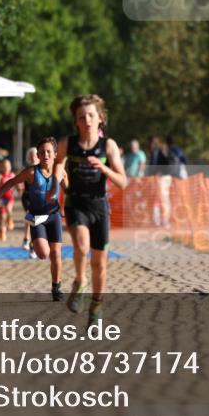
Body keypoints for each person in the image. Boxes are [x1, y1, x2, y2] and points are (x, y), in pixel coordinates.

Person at [49, 94, 127, 326]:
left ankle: (96, 306)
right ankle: (80, 281)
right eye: (81, 117)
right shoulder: (68, 143)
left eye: (91, 115)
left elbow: (123, 181)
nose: (87, 121)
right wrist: (56, 181)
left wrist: (104, 168)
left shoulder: (108, 146)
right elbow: (58, 162)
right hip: (76, 203)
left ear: (100, 118)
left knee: (100, 264)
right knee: (82, 248)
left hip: (99, 206)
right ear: (76, 121)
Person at [0, 138, 65, 300]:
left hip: (54, 215)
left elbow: (69, 190)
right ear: (38, 155)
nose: (46, 155)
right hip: (36, 217)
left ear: (55, 154)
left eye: (49, 152)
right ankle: (35, 240)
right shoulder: (31, 172)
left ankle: (57, 287)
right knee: (43, 254)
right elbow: (11, 182)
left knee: (56, 253)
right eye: (42, 152)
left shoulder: (60, 171)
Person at [20, 147, 40, 256]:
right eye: (31, 155)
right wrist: (18, 186)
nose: (33, 157)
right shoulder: (26, 169)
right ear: (28, 157)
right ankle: (27, 240)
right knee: (30, 216)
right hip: (27, 197)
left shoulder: (43, 168)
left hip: (38, 198)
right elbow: (18, 181)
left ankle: (32, 244)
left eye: (35, 155)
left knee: (35, 221)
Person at [0, 158, 17, 242]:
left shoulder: (12, 175)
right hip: (2, 198)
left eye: (8, 166)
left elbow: (17, 183)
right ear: (1, 168)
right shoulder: (0, 175)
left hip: (10, 197)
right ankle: (2, 230)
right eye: (4, 166)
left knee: (9, 209)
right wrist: (0, 185)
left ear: (10, 167)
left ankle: (10, 220)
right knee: (2, 216)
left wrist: (19, 187)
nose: (6, 168)